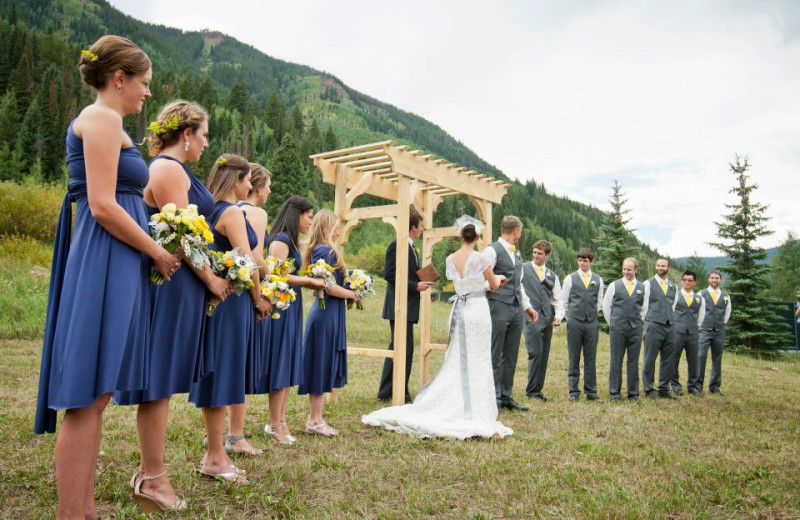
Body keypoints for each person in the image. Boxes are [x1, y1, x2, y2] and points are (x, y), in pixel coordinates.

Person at [34, 36, 180, 520]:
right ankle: (73, 512)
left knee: (97, 392)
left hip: (119, 256)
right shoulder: (101, 118)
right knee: (87, 392)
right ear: (119, 79)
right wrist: (155, 249)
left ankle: (84, 508)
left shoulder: (110, 121)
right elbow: (101, 204)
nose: (147, 94)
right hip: (105, 255)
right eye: (145, 84)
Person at [114, 100, 231, 511]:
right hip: (169, 284)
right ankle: (152, 477)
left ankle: (153, 475)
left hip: (182, 284)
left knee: (164, 380)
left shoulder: (180, 171)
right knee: (158, 381)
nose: (206, 142)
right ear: (186, 134)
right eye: (204, 133)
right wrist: (213, 278)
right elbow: (183, 237)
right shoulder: (166, 169)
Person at [362, 216, 514, 439]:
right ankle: (473, 403)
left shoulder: (451, 259)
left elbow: (461, 283)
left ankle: (450, 397)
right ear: (478, 237)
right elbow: (491, 285)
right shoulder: (482, 259)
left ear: (460, 236)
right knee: (478, 356)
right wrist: (499, 277)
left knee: (458, 356)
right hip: (477, 311)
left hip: (460, 311)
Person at [189, 154, 271, 485]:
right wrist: (259, 297)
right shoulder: (232, 213)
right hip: (233, 302)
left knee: (220, 374)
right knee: (223, 374)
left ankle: (217, 453)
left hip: (218, 301)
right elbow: (247, 260)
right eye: (247, 179)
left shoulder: (209, 211)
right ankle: (213, 456)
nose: (250, 185)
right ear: (234, 180)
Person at [262, 196, 326, 444]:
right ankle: (274, 423)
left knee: (288, 362)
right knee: (281, 362)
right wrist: (309, 280)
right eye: (308, 216)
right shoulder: (279, 240)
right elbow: (277, 276)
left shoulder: (290, 241)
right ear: (296, 215)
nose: (311, 222)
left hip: (292, 306)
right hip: (281, 308)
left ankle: (280, 420)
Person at [225, 162, 273, 457]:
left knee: (224, 361)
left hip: (224, 288)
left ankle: (221, 432)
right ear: (256, 188)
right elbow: (254, 256)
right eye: (268, 186)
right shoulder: (256, 213)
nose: (270, 191)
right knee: (239, 362)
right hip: (244, 289)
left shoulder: (227, 208)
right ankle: (236, 434)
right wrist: (271, 281)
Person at [298, 209, 359, 436]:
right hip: (325, 315)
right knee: (321, 363)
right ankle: (314, 420)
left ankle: (316, 418)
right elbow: (329, 287)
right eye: (336, 225)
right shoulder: (325, 250)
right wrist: (353, 295)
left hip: (327, 314)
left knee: (322, 362)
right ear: (329, 226)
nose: (339, 230)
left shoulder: (319, 250)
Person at [377, 210, 434, 403]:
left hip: (408, 306)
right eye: (420, 226)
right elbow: (390, 274)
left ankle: (387, 391)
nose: (422, 230)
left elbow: (406, 273)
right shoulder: (397, 245)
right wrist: (415, 285)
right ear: (413, 227)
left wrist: (424, 277)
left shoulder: (412, 248)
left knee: (400, 347)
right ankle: (400, 392)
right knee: (403, 348)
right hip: (398, 306)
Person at [484, 216, 539, 411]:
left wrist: (528, 307)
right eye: (520, 232)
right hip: (498, 306)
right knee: (495, 354)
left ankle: (507, 397)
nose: (520, 235)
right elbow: (479, 276)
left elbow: (519, 285)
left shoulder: (517, 255)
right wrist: (493, 284)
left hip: (516, 310)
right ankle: (494, 398)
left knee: (511, 354)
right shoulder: (491, 251)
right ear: (516, 231)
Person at [558, 248, 603, 401]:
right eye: (580, 260)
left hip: (591, 322)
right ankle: (573, 391)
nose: (582, 263)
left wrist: (591, 314)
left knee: (590, 357)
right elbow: (564, 301)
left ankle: (591, 392)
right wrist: (568, 316)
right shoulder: (570, 278)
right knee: (574, 356)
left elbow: (599, 302)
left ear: (591, 262)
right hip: (574, 321)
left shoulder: (598, 279)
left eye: (585, 260)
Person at [521, 240, 563, 402]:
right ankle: (531, 390)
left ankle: (538, 390)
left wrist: (558, 316)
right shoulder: (524, 269)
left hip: (547, 318)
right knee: (535, 352)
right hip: (530, 317)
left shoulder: (552, 275)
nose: (536, 256)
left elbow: (557, 299)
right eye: (534, 252)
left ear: (547, 255)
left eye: (539, 253)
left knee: (544, 353)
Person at [603, 257, 649, 401]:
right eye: (624, 269)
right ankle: (614, 392)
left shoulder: (643, 287)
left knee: (633, 360)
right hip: (618, 328)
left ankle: (633, 393)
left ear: (635, 270)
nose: (626, 272)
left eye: (629, 269)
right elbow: (606, 307)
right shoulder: (614, 286)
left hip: (635, 328)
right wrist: (614, 323)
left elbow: (645, 308)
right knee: (616, 360)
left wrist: (637, 321)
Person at [642, 258, 680, 399]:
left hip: (670, 326)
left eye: (663, 265)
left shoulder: (673, 287)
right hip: (653, 324)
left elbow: (673, 305)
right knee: (650, 358)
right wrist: (648, 320)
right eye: (658, 265)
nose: (660, 267)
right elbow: (644, 305)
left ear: (668, 268)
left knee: (668, 359)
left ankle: (664, 389)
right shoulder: (648, 284)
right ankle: (649, 389)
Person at [670, 270, 706, 396]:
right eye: (684, 280)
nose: (686, 282)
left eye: (690, 280)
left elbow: (701, 318)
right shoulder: (675, 295)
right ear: (681, 281)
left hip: (693, 333)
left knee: (693, 360)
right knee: (674, 359)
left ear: (695, 282)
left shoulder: (699, 299)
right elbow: (671, 312)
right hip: (677, 332)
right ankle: (675, 385)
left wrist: (693, 328)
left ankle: (693, 386)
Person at [697, 269, 732, 395]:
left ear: (720, 280)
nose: (714, 280)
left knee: (717, 358)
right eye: (712, 278)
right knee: (701, 356)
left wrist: (719, 324)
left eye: (717, 278)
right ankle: (697, 385)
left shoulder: (726, 297)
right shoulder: (701, 294)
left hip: (719, 331)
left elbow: (727, 315)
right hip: (704, 330)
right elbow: (697, 312)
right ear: (708, 279)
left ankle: (715, 386)